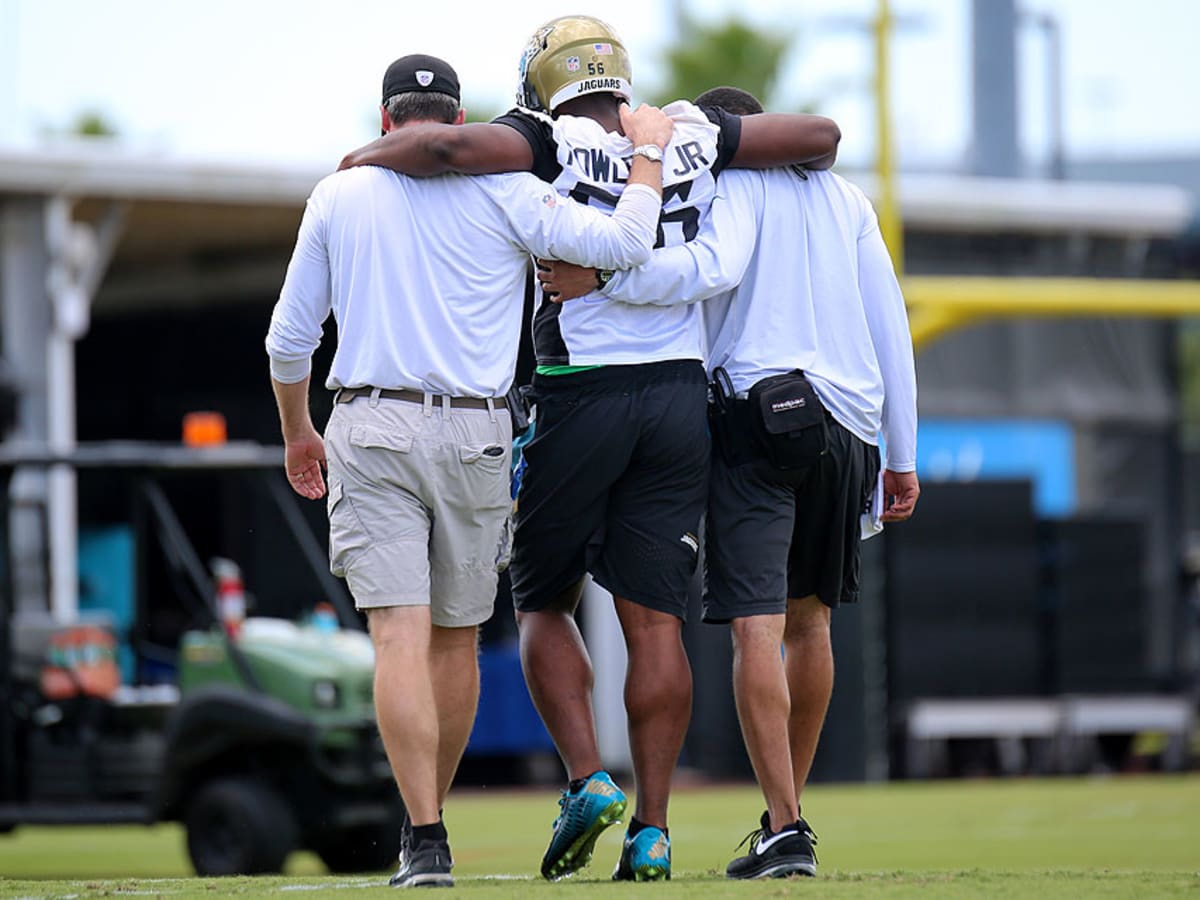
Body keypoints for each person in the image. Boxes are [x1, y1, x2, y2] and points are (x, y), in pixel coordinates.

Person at [338, 17, 842, 883]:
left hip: (581, 389)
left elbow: (449, 151)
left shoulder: (542, 137)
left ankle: (585, 780)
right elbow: (820, 137)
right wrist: (687, 137)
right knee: (656, 623)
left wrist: (366, 158)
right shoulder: (683, 133)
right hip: (680, 396)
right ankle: (653, 829)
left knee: (541, 601)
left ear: (545, 80)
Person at [264, 52, 675, 888]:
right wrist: (647, 155)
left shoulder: (339, 192)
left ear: (387, 123)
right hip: (479, 431)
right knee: (454, 643)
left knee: (396, 639)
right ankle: (432, 829)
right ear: (460, 123)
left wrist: (298, 432)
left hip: (372, 423)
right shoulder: (509, 188)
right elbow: (631, 242)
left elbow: (288, 341)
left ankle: (423, 837)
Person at [539, 85, 920, 880]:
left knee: (757, 628)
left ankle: (787, 824)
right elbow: (890, 316)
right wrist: (903, 452)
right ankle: (786, 818)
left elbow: (713, 267)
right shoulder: (849, 199)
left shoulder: (734, 184)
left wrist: (603, 280)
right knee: (812, 629)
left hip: (760, 414)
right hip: (850, 423)